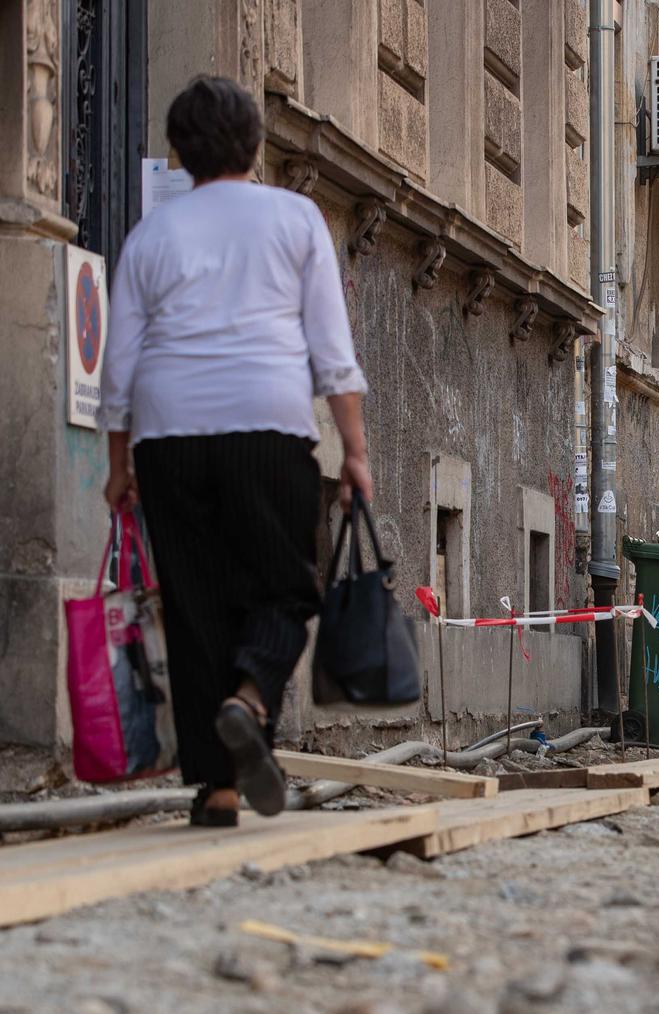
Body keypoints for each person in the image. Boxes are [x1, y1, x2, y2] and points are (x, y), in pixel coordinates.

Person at [99, 76, 372, 827]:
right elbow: (331, 350)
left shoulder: (152, 233)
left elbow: (119, 362)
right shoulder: (295, 217)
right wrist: (354, 450)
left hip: (167, 435)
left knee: (192, 605)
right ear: (255, 142)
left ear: (178, 152)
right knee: (285, 590)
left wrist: (118, 464)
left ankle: (215, 790)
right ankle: (248, 698)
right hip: (267, 424)